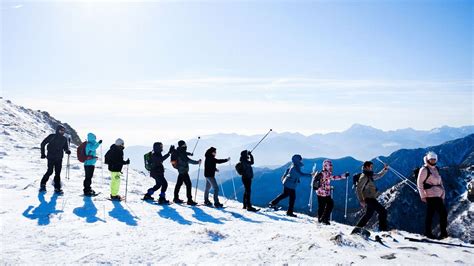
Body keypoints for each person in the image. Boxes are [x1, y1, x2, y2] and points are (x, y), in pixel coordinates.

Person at [417, 151, 448, 239]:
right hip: (430, 195)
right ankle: (443, 234)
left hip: (438, 195)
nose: (433, 161)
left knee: (430, 214)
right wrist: (422, 195)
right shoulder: (424, 169)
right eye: (431, 159)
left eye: (434, 159)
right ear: (427, 159)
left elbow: (440, 182)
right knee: (443, 214)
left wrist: (443, 195)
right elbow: (419, 183)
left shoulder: (436, 169)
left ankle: (428, 232)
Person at [352, 161, 389, 233]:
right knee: (383, 212)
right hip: (369, 198)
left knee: (368, 215)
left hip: (371, 197)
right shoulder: (364, 176)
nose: (372, 168)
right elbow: (358, 188)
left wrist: (385, 169)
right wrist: (361, 200)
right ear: (366, 167)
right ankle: (383, 231)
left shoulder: (369, 175)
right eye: (371, 166)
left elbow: (379, 175)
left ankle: (356, 230)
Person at [316, 159, 350, 225]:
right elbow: (334, 177)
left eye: (331, 165)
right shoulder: (325, 173)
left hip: (320, 192)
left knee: (322, 206)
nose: (331, 167)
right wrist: (344, 176)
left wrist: (329, 188)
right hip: (324, 193)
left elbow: (324, 182)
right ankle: (324, 219)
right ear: (326, 166)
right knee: (330, 204)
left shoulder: (323, 172)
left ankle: (321, 219)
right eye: (330, 165)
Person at [40, 124, 71, 194]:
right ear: (57, 130)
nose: (62, 132)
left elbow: (65, 147)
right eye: (61, 130)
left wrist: (67, 151)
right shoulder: (52, 136)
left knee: (58, 173)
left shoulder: (64, 139)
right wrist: (42, 153)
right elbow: (43, 144)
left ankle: (57, 188)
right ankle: (43, 184)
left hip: (59, 158)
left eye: (63, 131)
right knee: (50, 171)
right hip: (51, 157)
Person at [173, 140, 201, 205]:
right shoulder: (182, 153)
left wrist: (189, 154)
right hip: (184, 171)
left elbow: (184, 153)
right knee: (188, 185)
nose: (185, 145)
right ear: (182, 145)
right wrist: (197, 162)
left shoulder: (179, 151)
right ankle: (189, 200)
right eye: (184, 145)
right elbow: (188, 160)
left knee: (178, 185)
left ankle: (176, 198)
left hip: (181, 170)